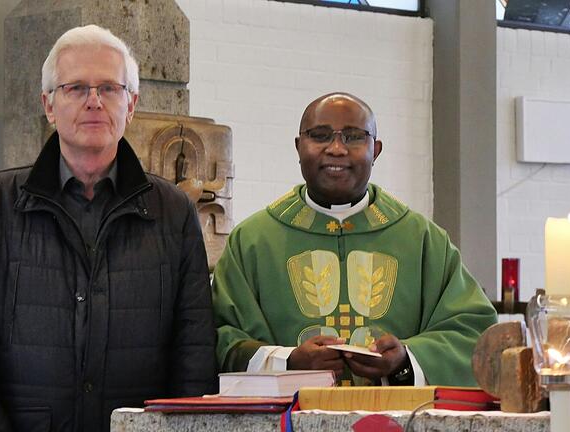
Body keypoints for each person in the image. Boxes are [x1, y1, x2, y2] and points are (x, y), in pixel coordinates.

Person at [0, 25, 216, 431]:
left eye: (109, 88)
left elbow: (194, 350)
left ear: (132, 103)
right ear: (49, 105)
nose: (94, 101)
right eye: (75, 88)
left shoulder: (172, 212)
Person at [213, 92, 497, 387]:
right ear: (299, 147)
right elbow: (220, 337)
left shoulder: (423, 240)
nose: (336, 149)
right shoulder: (253, 241)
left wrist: (406, 359)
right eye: (320, 136)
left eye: (354, 137)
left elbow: (474, 333)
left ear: (376, 150)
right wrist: (289, 362)